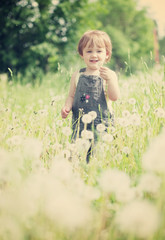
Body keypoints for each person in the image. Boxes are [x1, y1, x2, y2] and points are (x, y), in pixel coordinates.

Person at [61, 30, 120, 162]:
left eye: (99, 51)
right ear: (82, 54)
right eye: (89, 51)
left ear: (107, 54)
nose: (94, 55)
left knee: (99, 157)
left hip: (102, 124)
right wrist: (67, 106)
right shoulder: (77, 75)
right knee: (76, 156)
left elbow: (114, 97)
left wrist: (110, 80)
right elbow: (71, 96)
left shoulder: (109, 75)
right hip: (79, 124)